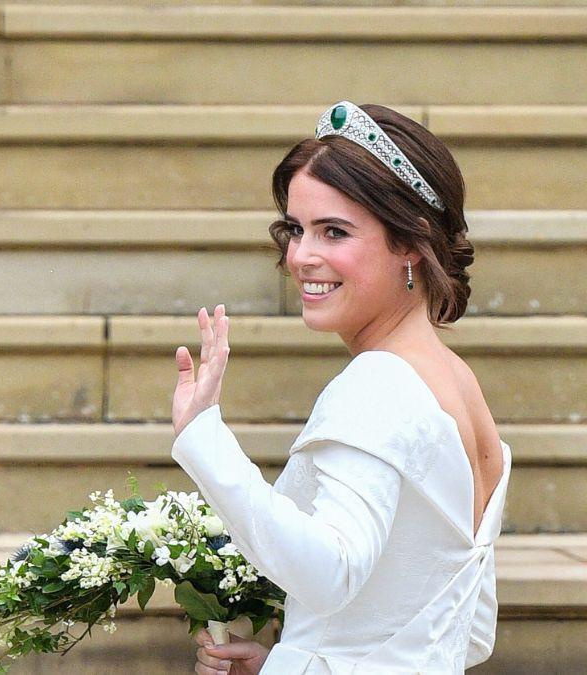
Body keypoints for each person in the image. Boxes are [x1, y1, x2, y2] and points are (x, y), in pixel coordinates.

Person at [170, 102, 509, 673]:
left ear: (410, 241)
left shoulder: (377, 383)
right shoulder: (455, 382)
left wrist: (203, 439)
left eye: (335, 231)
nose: (301, 256)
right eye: (297, 229)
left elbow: (330, 575)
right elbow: (469, 631)